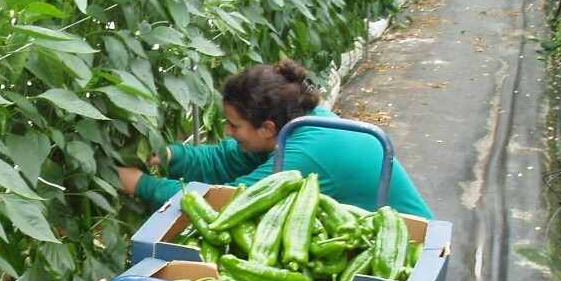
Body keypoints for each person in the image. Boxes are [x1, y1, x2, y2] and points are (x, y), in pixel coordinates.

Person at [116, 59, 434, 219]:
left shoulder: (309, 152)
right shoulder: (295, 127)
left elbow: (233, 202)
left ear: (267, 128)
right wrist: (171, 155)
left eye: (234, 125)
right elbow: (227, 159)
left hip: (408, 253)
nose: (227, 132)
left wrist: (144, 185)